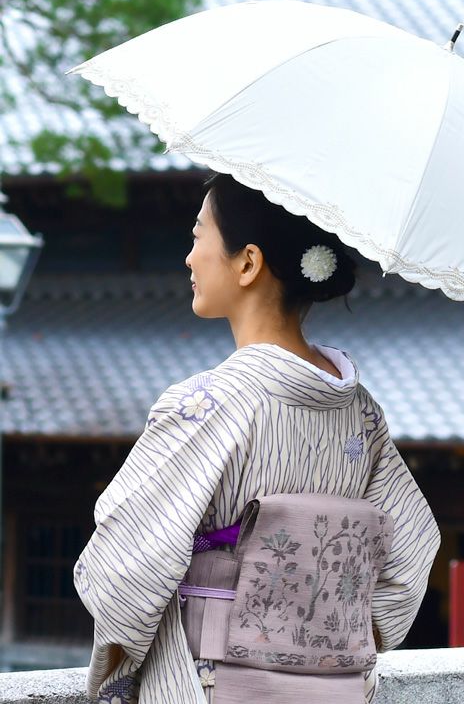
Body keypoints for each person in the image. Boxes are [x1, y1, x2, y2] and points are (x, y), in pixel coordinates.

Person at [72, 172, 442, 704]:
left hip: (213, 683)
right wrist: (327, 640)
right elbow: (409, 554)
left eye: (198, 236)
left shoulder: (207, 406)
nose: (189, 258)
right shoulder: (361, 413)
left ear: (248, 262)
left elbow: (124, 571)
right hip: (332, 690)